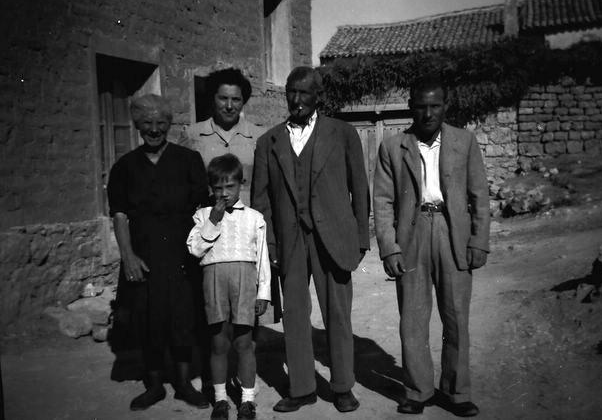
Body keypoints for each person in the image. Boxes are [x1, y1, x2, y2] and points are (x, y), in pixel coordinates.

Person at [251, 66, 370, 413]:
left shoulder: (343, 133)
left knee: (338, 314)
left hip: (333, 238)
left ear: (319, 96)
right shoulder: (268, 142)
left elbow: (359, 188)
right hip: (290, 241)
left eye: (304, 92)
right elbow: (261, 201)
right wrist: (269, 246)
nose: (297, 99)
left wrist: (360, 239)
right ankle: (302, 388)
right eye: (291, 92)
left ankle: (342, 386)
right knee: (294, 315)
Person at [373, 76, 490, 417]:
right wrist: (390, 248)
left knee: (456, 317)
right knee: (412, 318)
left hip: (453, 234)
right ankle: (417, 390)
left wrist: (479, 241)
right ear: (411, 107)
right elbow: (382, 202)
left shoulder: (465, 142)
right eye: (421, 106)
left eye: (435, 106)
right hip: (412, 236)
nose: (428, 113)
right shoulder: (393, 147)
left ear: (445, 106)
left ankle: (457, 392)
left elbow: (479, 195)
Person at [107, 94, 210, 411]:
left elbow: (203, 208)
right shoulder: (124, 167)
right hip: (144, 255)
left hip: (182, 255)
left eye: (161, 123)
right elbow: (119, 214)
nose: (154, 129)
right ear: (138, 125)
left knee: (183, 318)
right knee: (146, 320)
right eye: (147, 123)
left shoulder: (189, 160)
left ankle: (183, 384)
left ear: (169, 124)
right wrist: (128, 256)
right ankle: (153, 386)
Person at [187, 154, 271, 420]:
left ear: (241, 184)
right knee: (219, 343)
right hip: (214, 282)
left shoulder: (255, 218)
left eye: (230, 187)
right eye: (218, 188)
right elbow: (195, 249)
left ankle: (247, 401)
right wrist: (213, 220)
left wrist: (263, 293)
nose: (224, 193)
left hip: (244, 283)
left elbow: (262, 258)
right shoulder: (202, 216)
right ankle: (221, 399)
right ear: (211, 188)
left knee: (244, 343)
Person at [178, 67, 261, 206]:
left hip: (247, 216)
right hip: (209, 216)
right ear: (213, 98)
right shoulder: (192, 135)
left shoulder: (258, 136)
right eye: (223, 98)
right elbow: (182, 183)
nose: (229, 106)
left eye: (236, 99)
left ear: (243, 102)